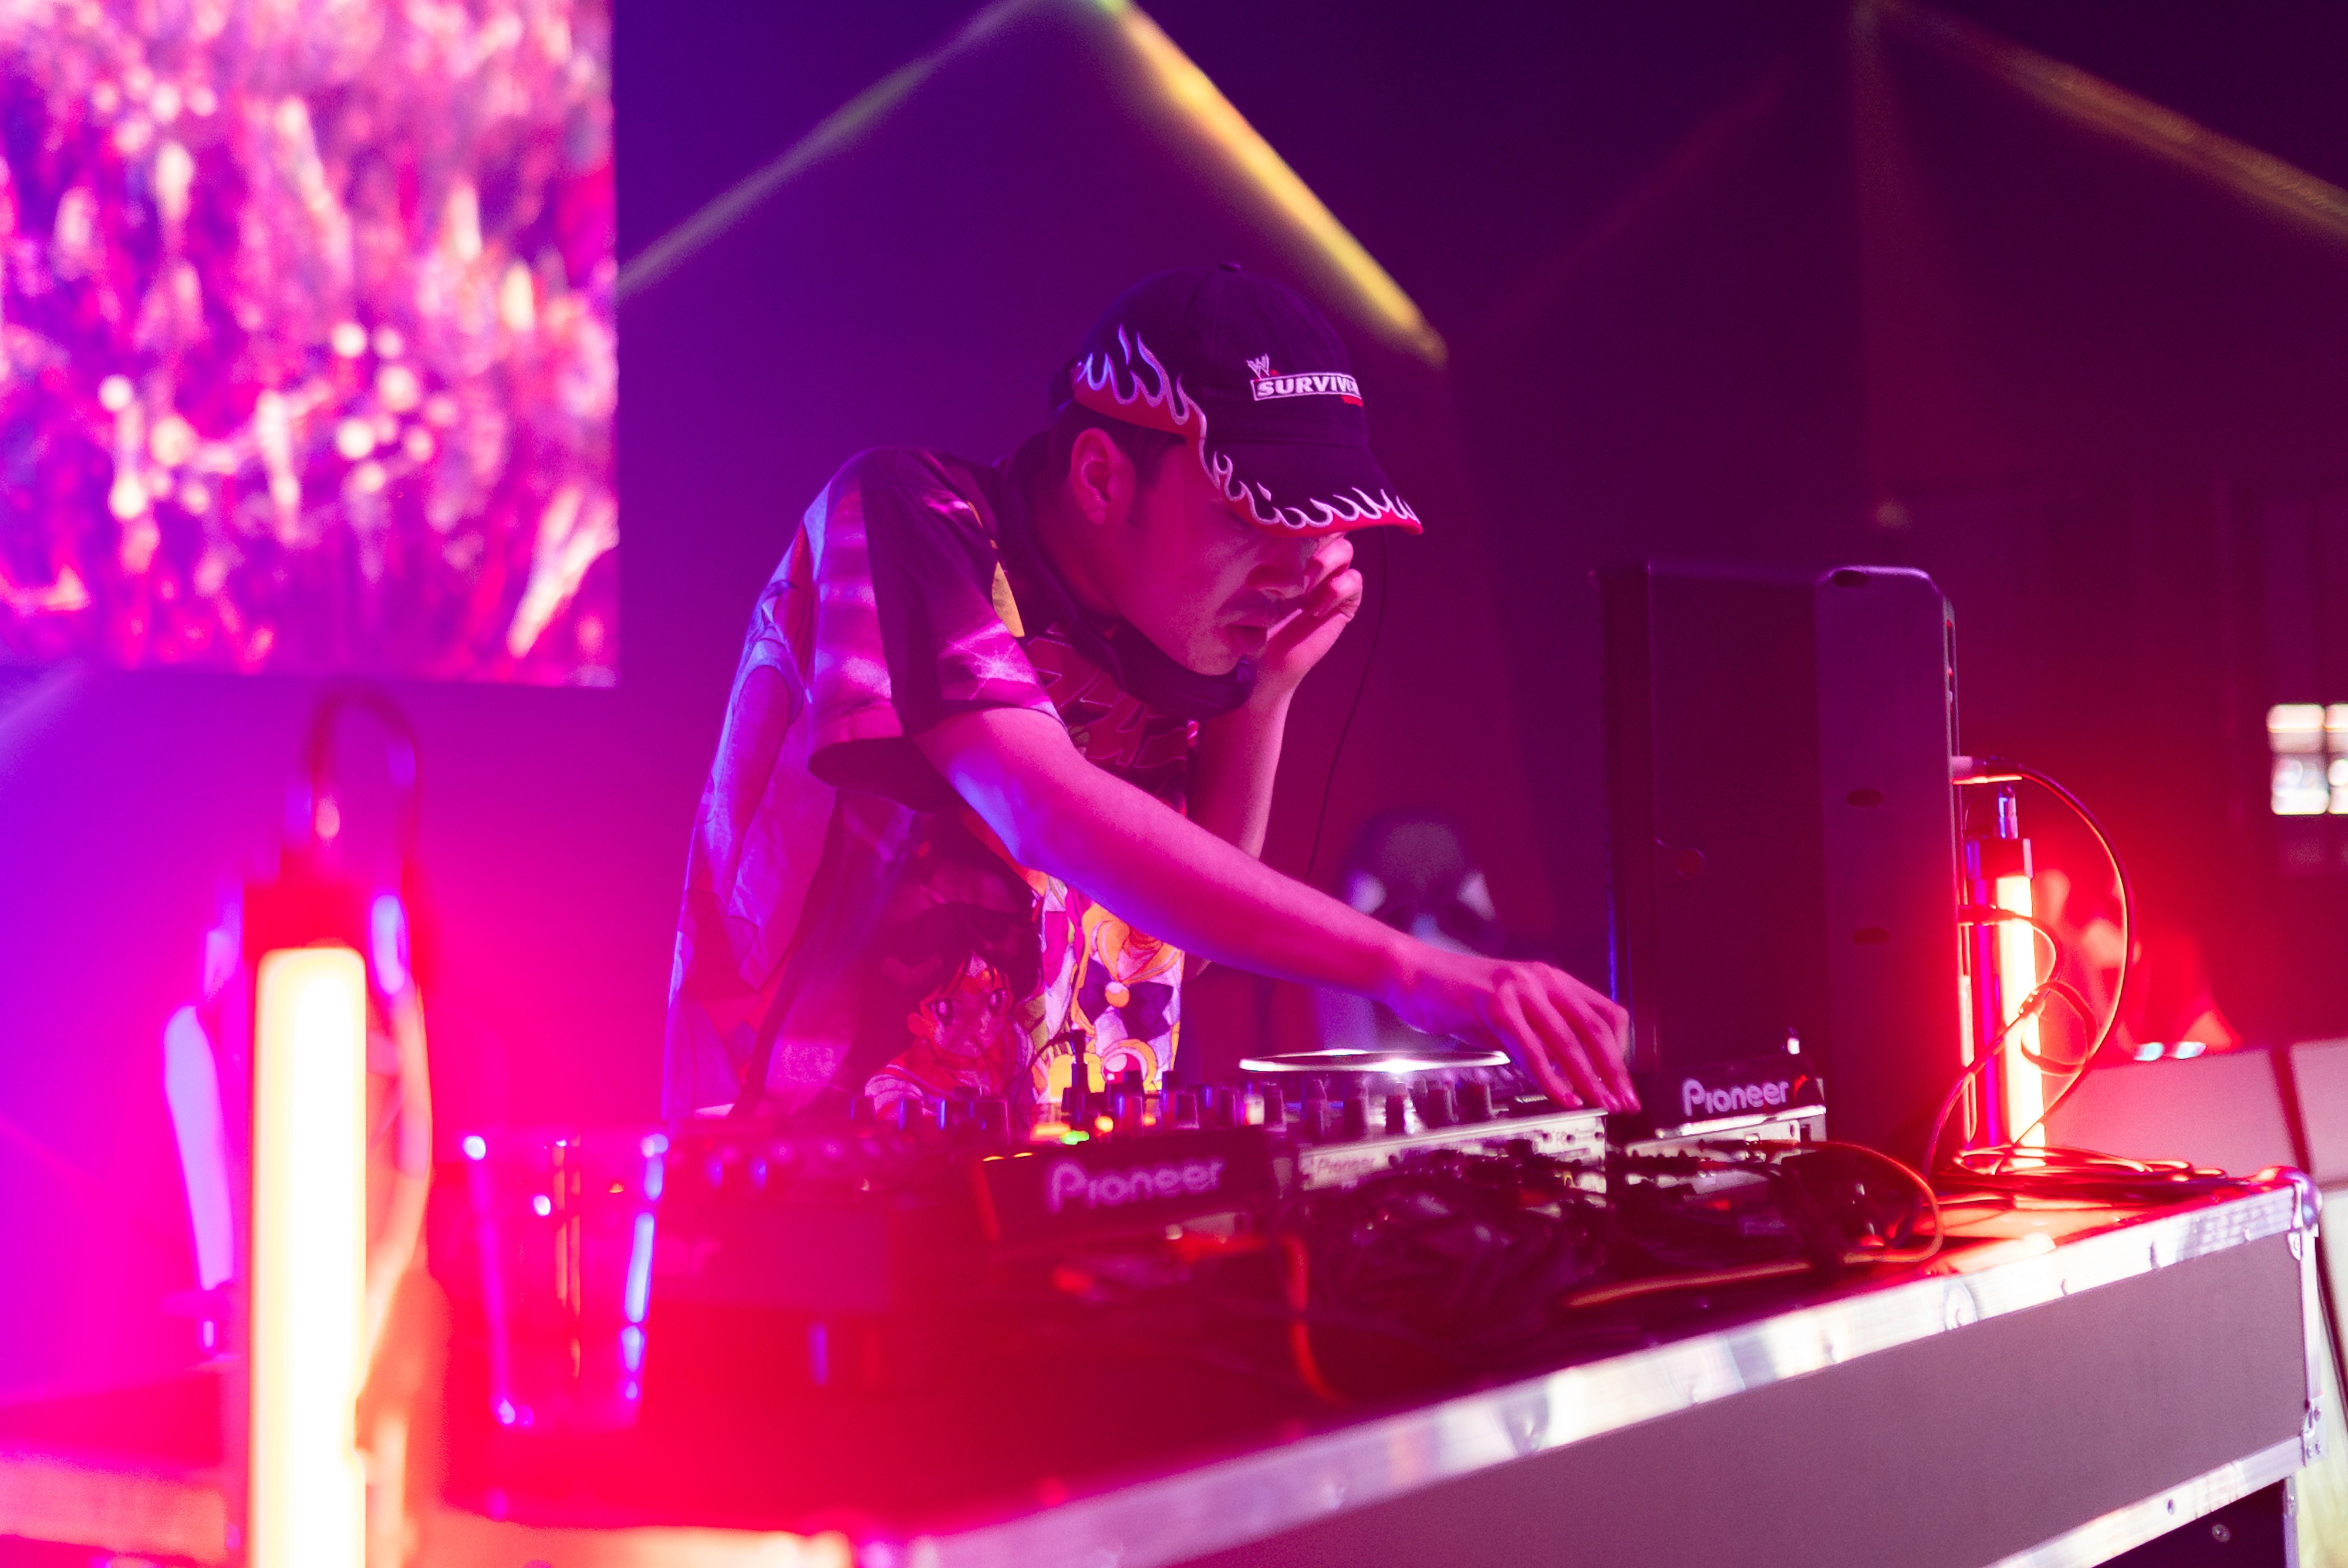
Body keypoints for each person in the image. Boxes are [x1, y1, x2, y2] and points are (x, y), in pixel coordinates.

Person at [661, 264, 1634, 1123]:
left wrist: (1263, 697)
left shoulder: (1173, 634)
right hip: (817, 1204)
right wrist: (1412, 969)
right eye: (1254, 520)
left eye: (1318, 533)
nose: (1298, 571)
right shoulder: (913, 514)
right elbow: (1041, 806)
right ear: (1099, 477)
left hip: (1070, 1204)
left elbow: (1175, 948)